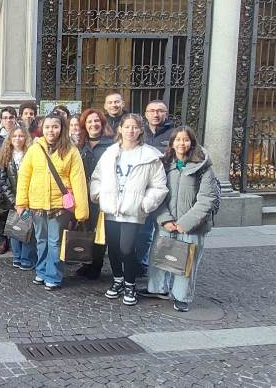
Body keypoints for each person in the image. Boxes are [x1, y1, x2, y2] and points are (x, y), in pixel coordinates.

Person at [90, 113, 168, 306]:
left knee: (127, 249)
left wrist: (145, 204)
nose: (130, 131)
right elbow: (97, 177)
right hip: (111, 208)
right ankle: (118, 280)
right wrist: (98, 195)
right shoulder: (110, 153)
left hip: (133, 210)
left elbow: (159, 186)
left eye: (135, 127)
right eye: (127, 127)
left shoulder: (149, 156)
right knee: (114, 248)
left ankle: (130, 284)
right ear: (120, 129)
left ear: (141, 130)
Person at [143, 127, 217, 312]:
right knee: (160, 257)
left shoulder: (204, 167)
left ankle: (181, 296)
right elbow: (156, 193)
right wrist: (165, 219)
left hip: (192, 225)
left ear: (192, 142)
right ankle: (158, 289)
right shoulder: (164, 164)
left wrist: (185, 223)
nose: (181, 143)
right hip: (167, 222)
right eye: (178, 140)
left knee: (186, 262)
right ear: (172, 143)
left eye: (185, 140)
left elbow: (207, 199)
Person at [15, 114, 90, 291]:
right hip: (37, 204)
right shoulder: (35, 149)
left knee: (55, 242)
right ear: (43, 129)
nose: (51, 130)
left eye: (55, 126)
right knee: (41, 240)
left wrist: (81, 210)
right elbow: (25, 176)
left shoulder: (71, 150)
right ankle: (41, 271)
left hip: (60, 205)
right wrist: (21, 202)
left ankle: (53, 275)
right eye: (47, 127)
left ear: (61, 128)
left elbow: (78, 179)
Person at [74, 109, 115, 280]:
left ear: (102, 123)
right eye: (89, 121)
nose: (93, 124)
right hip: (83, 194)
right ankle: (86, 261)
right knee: (86, 230)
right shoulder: (80, 145)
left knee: (100, 232)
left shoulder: (111, 145)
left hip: (101, 195)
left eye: (96, 121)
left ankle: (96, 265)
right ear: (84, 125)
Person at [138, 100, 175, 273]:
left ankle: (162, 266)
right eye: (151, 111)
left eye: (160, 111)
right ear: (146, 114)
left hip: (167, 189)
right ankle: (141, 264)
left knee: (163, 231)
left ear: (166, 113)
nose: (155, 114)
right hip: (144, 190)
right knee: (143, 233)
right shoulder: (140, 133)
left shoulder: (174, 133)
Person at [0, 125, 33, 269]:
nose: (18, 139)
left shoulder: (30, 153)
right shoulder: (6, 155)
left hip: (29, 199)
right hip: (14, 200)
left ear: (26, 138)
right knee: (15, 228)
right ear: (10, 139)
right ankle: (17, 258)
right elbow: (3, 181)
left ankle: (26, 259)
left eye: (21, 136)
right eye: (15, 136)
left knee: (28, 228)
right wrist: (14, 201)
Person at [0, 107, 18, 254]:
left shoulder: (20, 135)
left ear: (15, 119)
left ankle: (16, 240)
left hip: (17, 180)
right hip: (0, 180)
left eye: (11, 117)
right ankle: (3, 239)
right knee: (1, 211)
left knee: (17, 211)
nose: (8, 120)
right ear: (1, 120)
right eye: (5, 118)